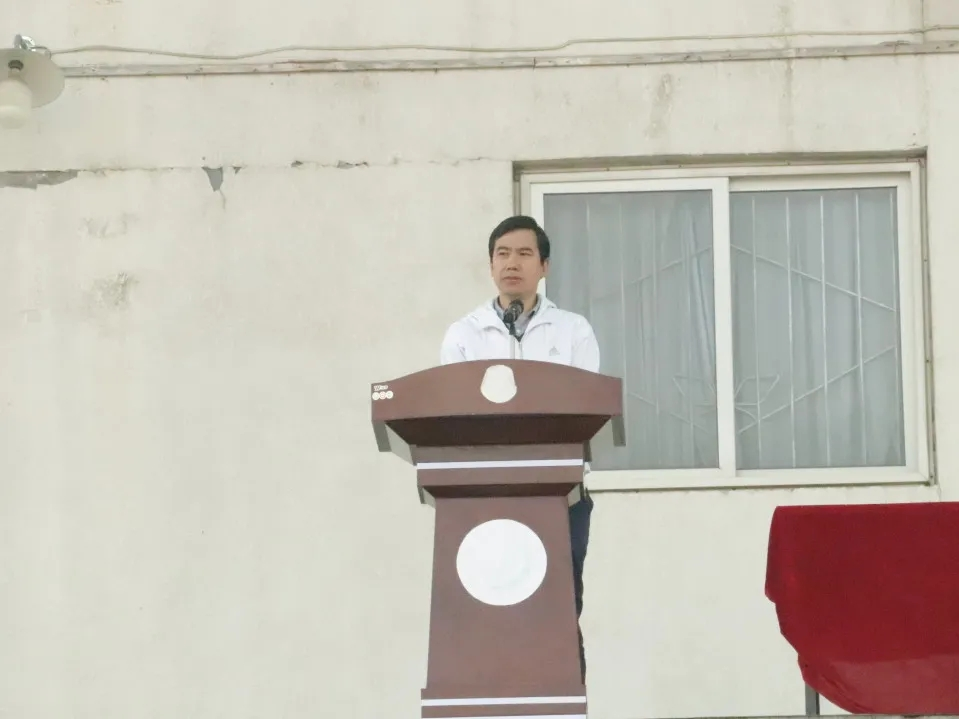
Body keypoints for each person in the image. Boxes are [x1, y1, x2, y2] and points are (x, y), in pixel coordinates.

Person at [439, 214, 600, 682]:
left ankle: (565, 698)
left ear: (544, 266)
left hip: (561, 495)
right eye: (503, 254)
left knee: (559, 604)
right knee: (486, 606)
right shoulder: (464, 334)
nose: (512, 263)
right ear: (491, 265)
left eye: (525, 254)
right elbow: (449, 414)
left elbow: (589, 405)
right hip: (480, 496)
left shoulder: (573, 330)